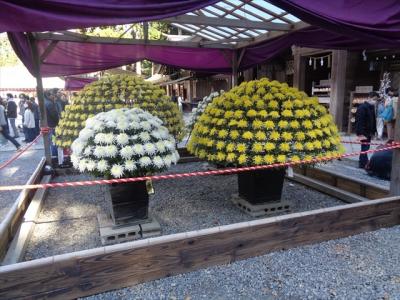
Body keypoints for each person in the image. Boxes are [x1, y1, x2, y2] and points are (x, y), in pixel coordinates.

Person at [355, 92, 378, 168]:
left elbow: (373, 120)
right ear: (369, 98)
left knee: (366, 148)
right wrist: (360, 133)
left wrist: (374, 131)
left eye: (376, 100)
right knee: (364, 148)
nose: (375, 101)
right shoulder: (362, 107)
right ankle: (363, 163)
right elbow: (359, 121)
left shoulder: (371, 107)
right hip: (363, 131)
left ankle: (363, 162)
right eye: (374, 99)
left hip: (369, 132)